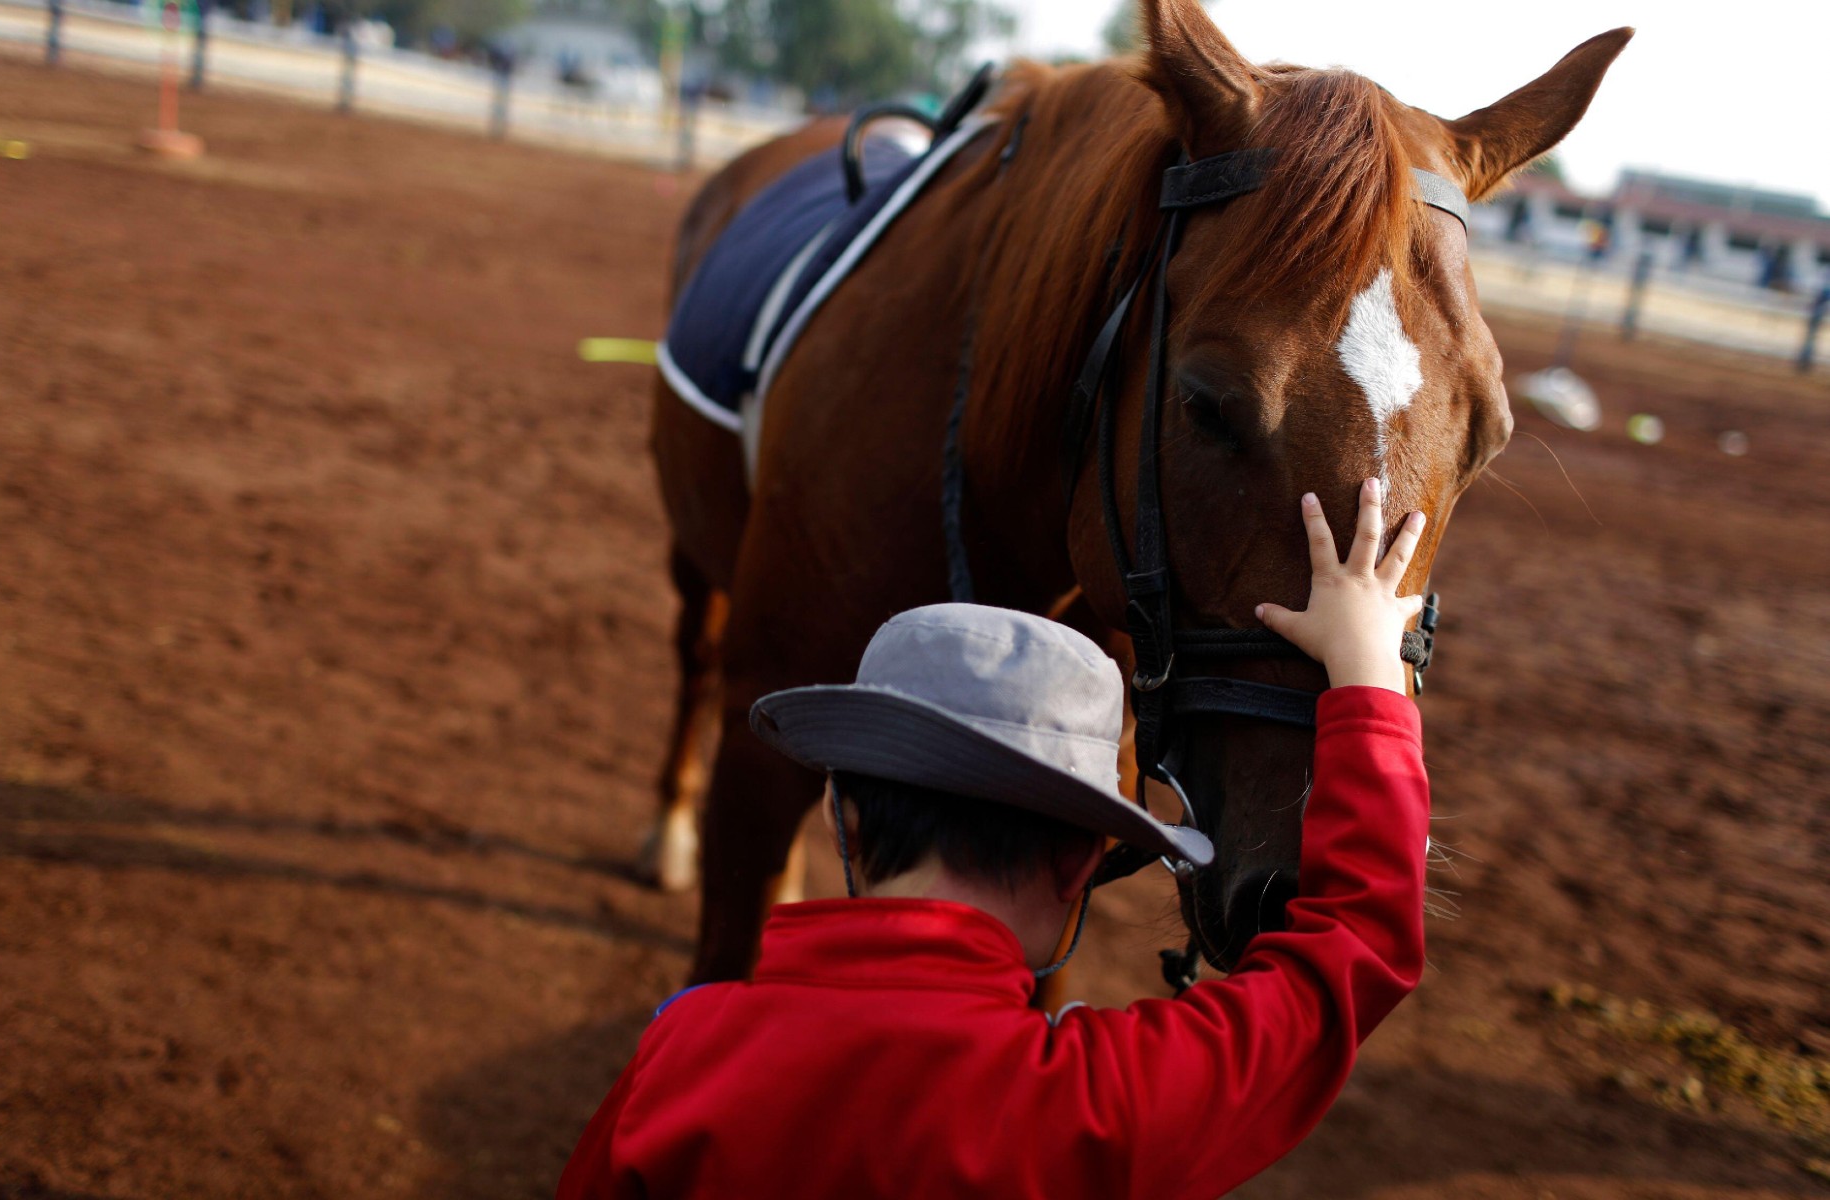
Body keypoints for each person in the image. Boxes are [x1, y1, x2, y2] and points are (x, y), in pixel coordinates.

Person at [558, 479, 1431, 1198]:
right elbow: (1350, 950)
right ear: (1083, 860)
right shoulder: (1102, 1103)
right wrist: (1369, 685)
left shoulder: (680, 1049)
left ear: (840, 821)